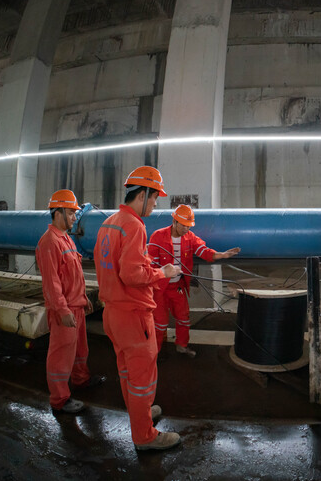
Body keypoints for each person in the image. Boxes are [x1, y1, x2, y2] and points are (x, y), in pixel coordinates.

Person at [94, 166, 183, 451]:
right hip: (133, 316)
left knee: (126, 371)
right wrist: (163, 273)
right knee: (143, 376)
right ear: (143, 194)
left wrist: (149, 267)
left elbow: (113, 265)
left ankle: (138, 412)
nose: (156, 204)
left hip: (113, 313)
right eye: (155, 198)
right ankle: (144, 436)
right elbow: (132, 275)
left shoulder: (110, 222)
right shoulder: (134, 225)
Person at [36, 189, 105, 414]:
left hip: (76, 306)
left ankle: (81, 380)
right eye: (72, 213)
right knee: (61, 355)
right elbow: (52, 283)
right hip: (63, 310)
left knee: (79, 350)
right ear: (59, 212)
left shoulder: (66, 238)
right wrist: (63, 310)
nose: (76, 218)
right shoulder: (49, 242)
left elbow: (74, 274)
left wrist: (84, 300)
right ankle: (59, 399)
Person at [149, 204, 241, 357]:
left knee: (184, 318)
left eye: (189, 226)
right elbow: (151, 263)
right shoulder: (158, 236)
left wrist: (222, 255)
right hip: (160, 288)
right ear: (175, 222)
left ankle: (182, 346)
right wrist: (161, 275)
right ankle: (155, 353)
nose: (186, 229)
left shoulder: (190, 238)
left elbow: (203, 251)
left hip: (177, 287)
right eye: (184, 225)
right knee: (160, 323)